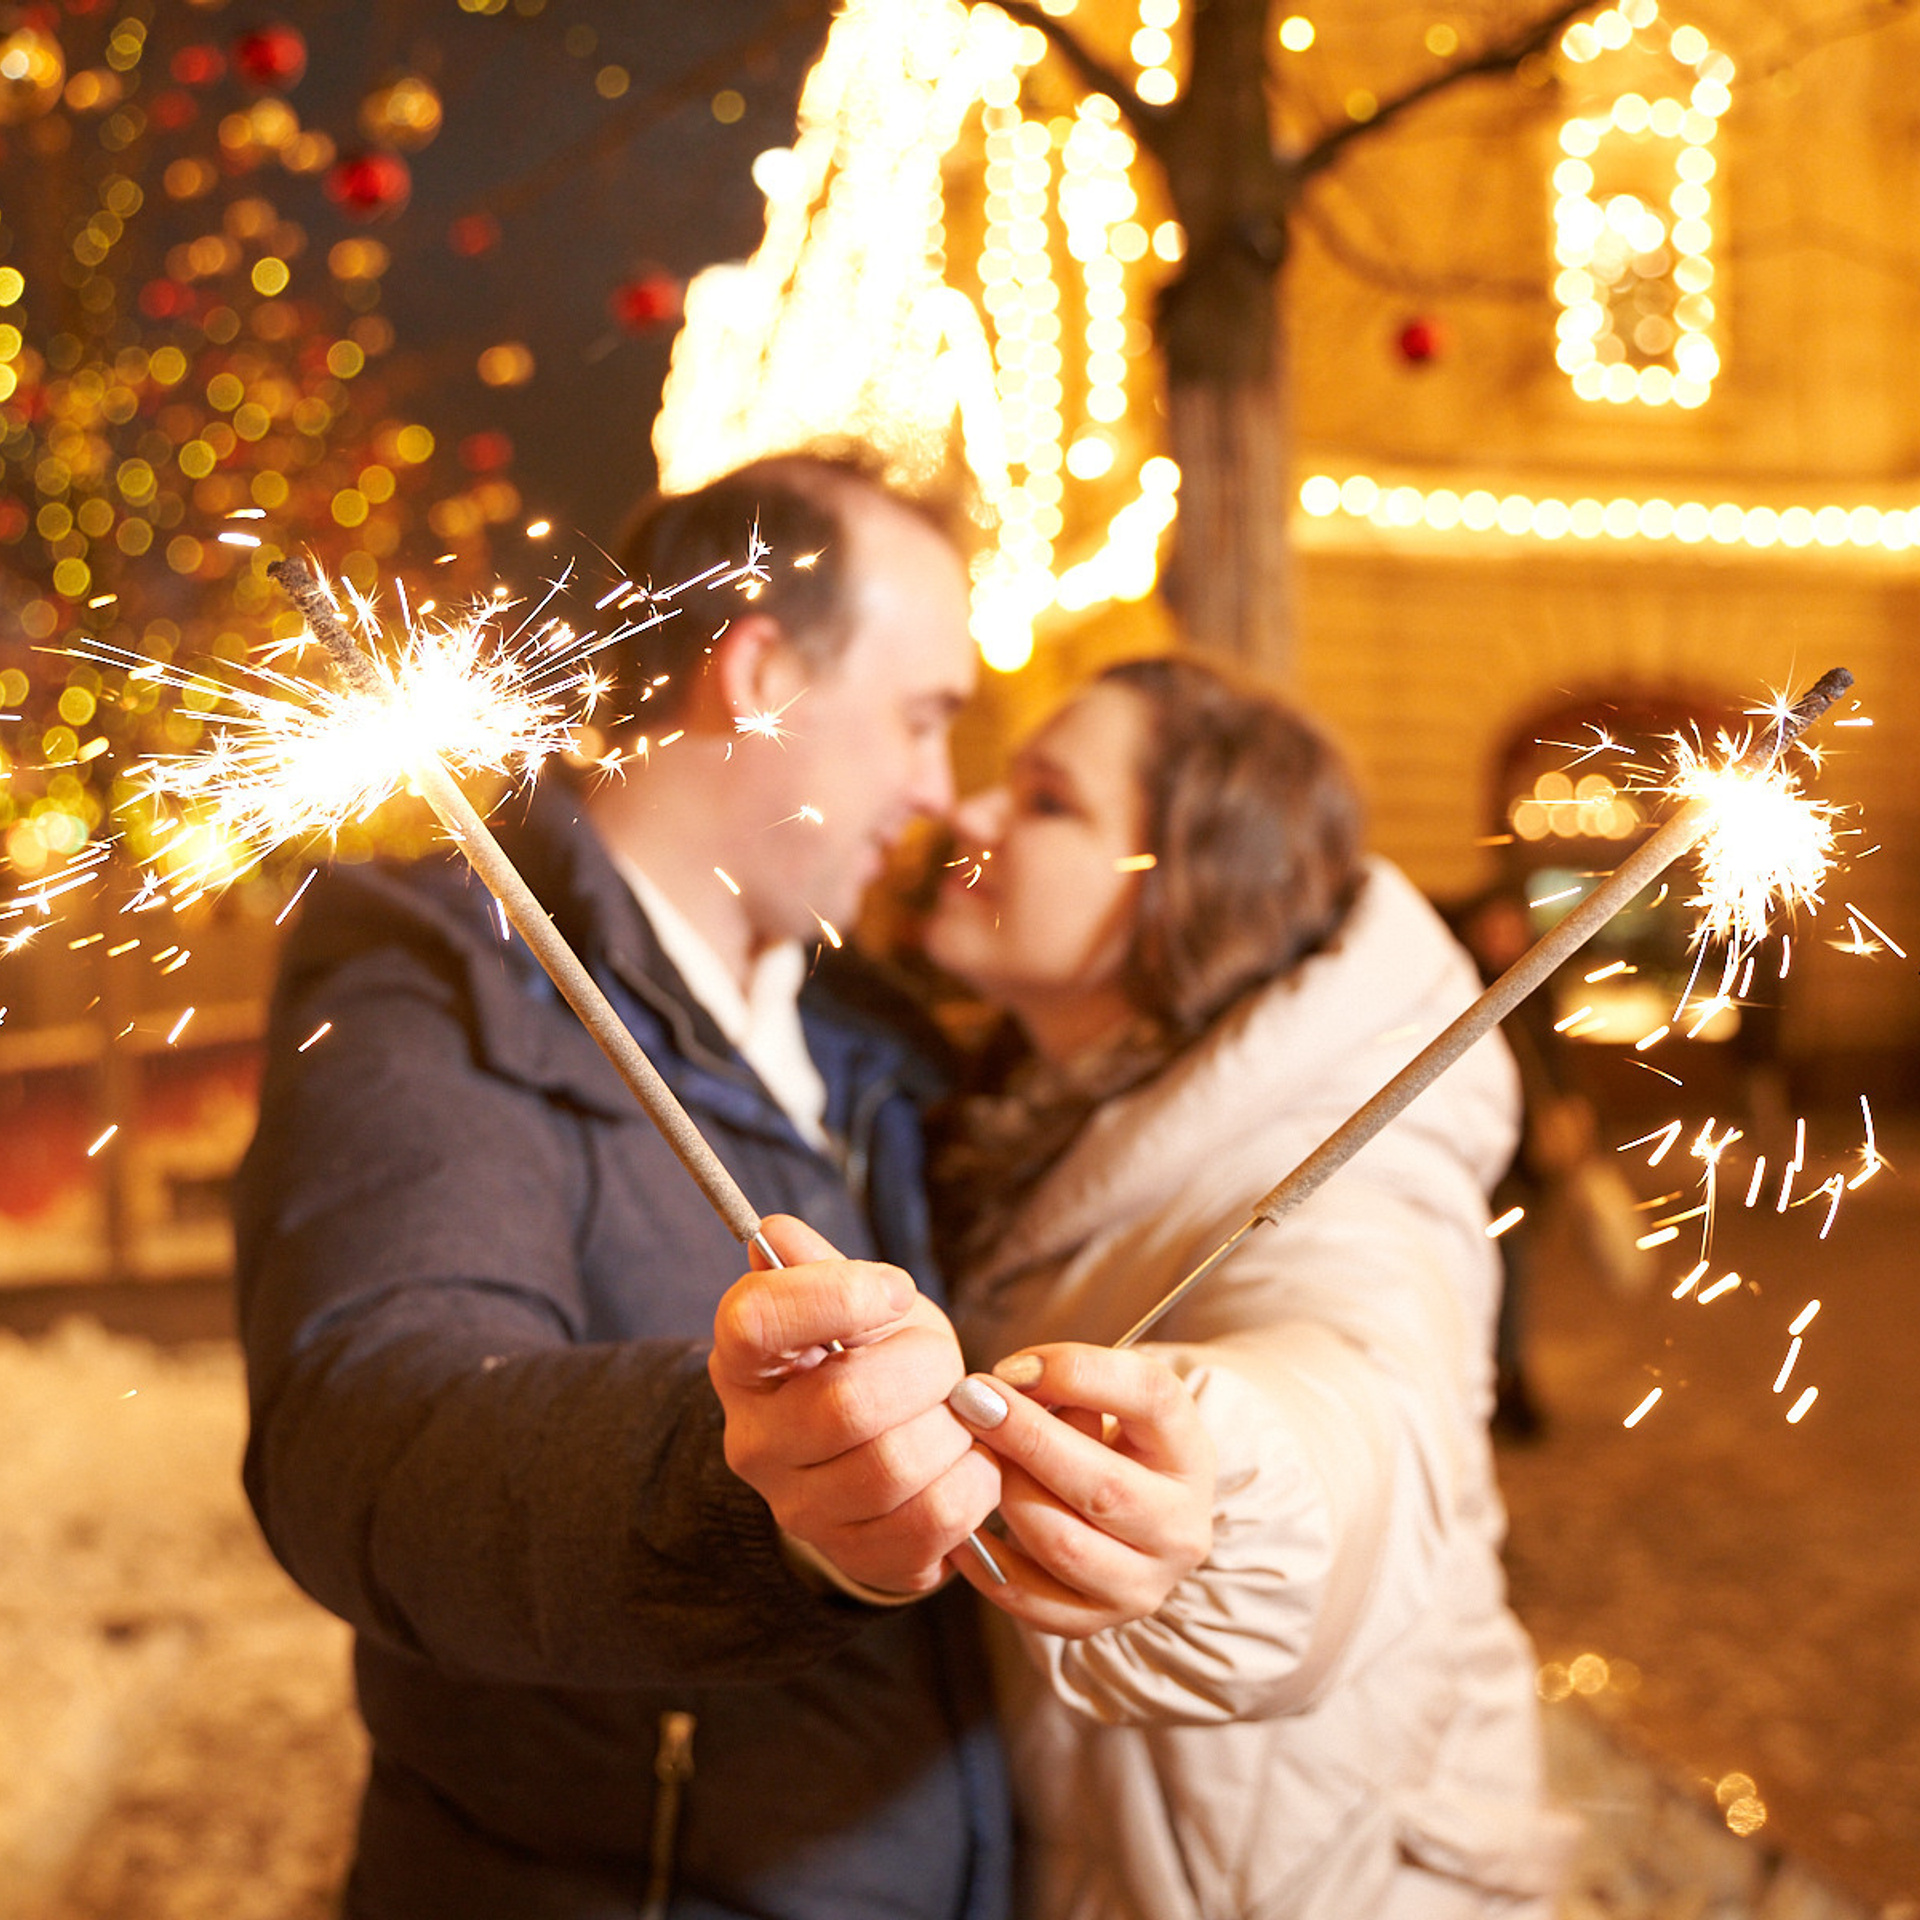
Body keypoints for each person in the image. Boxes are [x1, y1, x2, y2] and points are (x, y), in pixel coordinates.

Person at [233, 451, 1025, 1919]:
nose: (940, 789)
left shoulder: (886, 1039)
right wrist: (744, 1480)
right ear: (763, 670)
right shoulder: (440, 974)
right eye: (923, 719)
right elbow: (371, 1431)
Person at [914, 657, 1577, 1917]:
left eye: (1049, 801)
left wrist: (1221, 1485)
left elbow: (1359, 1386)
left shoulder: (1346, 1144)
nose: (975, 815)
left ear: (1189, 880)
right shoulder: (1030, 1105)